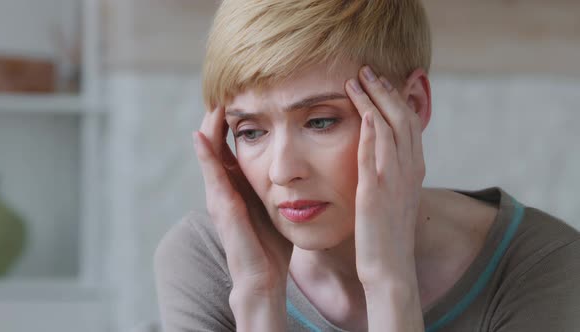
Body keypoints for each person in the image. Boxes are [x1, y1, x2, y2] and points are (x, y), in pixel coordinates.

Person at [154, 1, 580, 331]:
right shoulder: (208, 260)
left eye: (320, 121)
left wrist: (390, 288)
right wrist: (259, 299)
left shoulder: (539, 266)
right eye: (250, 131)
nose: (282, 171)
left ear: (410, 107)